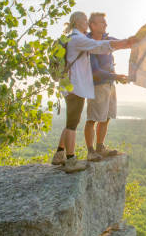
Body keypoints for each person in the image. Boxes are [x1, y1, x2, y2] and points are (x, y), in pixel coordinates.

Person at [51, 11, 134, 173]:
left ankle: (59, 154)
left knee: (71, 122)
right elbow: (99, 46)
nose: (86, 23)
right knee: (72, 124)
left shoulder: (70, 38)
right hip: (75, 86)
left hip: (70, 85)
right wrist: (125, 43)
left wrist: (125, 42)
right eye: (84, 21)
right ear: (77, 22)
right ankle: (71, 160)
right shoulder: (77, 39)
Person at [84, 12, 129, 161]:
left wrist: (142, 39)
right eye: (102, 22)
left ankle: (100, 147)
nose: (106, 25)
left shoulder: (107, 39)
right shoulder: (88, 43)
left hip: (110, 84)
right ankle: (90, 151)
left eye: (105, 22)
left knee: (106, 117)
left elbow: (125, 42)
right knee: (93, 119)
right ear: (93, 25)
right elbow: (95, 71)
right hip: (97, 85)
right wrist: (115, 76)